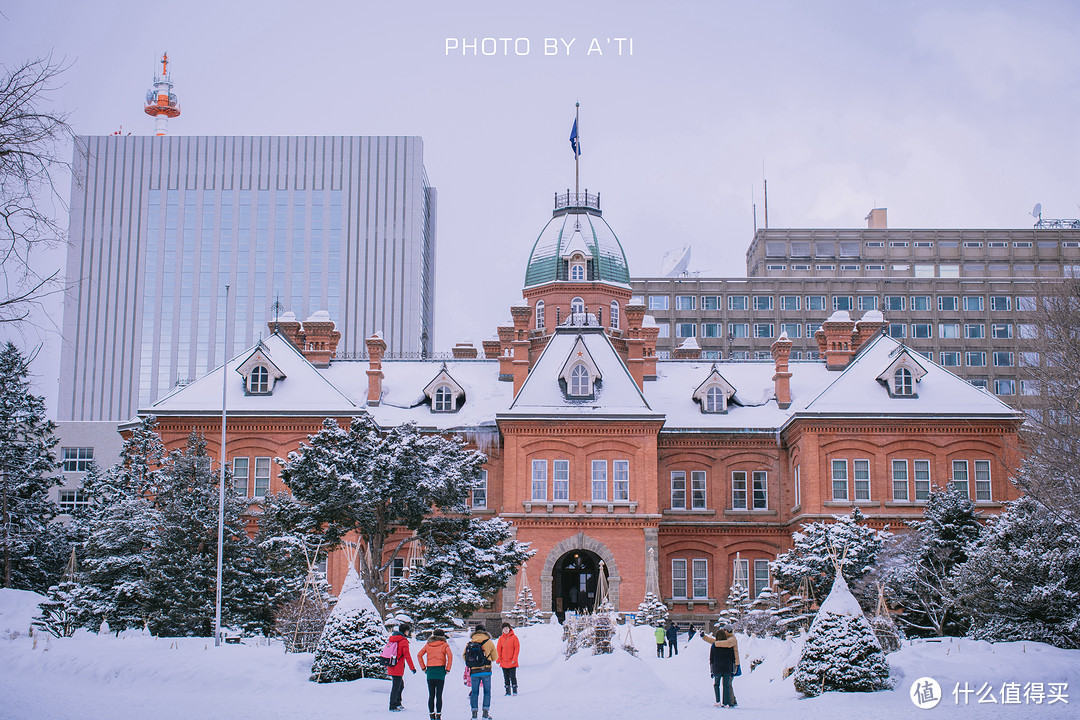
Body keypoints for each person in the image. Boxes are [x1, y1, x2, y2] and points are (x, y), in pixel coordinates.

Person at [417, 628, 453, 720]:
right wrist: (447, 669)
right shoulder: (444, 645)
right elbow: (450, 656)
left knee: (431, 694)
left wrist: (423, 668)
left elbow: (419, 655)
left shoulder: (428, 645)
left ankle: (431, 715)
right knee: (439, 695)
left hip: (430, 671)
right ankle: (438, 715)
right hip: (440, 671)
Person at [466, 624, 499, 719]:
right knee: (487, 691)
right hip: (486, 670)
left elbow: (465, 657)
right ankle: (485, 713)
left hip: (474, 671)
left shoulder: (471, 642)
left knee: (475, 692)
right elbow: (495, 657)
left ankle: (474, 713)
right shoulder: (489, 642)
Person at [702, 624, 740, 708]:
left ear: (728, 631)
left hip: (734, 664)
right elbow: (716, 641)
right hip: (729, 665)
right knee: (727, 683)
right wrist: (704, 637)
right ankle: (730, 700)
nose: (724, 631)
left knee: (727, 684)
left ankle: (731, 701)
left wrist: (714, 644)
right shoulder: (724, 639)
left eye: (724, 630)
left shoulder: (732, 639)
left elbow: (725, 643)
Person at [387, 622, 417, 712]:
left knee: (400, 685)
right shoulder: (403, 641)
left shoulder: (393, 639)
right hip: (398, 667)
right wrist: (412, 668)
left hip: (391, 665)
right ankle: (393, 705)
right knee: (396, 686)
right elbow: (407, 655)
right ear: (405, 631)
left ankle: (398, 703)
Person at [496, 622, 520, 696]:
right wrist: (499, 659)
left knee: (512, 676)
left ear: (509, 629)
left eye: (507, 628)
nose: (505, 630)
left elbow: (517, 648)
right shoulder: (501, 638)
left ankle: (515, 690)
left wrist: (514, 658)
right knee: (506, 677)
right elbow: (499, 649)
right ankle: (507, 690)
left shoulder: (514, 637)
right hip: (504, 661)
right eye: (504, 628)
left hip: (512, 661)